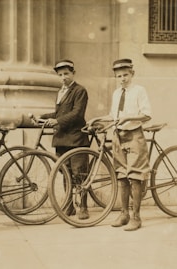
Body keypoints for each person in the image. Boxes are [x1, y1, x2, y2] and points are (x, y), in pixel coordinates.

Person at [88, 58, 151, 231]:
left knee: (135, 176)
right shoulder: (117, 93)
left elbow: (146, 115)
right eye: (119, 76)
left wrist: (129, 118)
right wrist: (97, 119)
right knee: (122, 175)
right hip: (118, 136)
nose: (122, 79)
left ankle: (136, 217)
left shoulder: (139, 91)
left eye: (125, 75)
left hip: (134, 135)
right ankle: (124, 214)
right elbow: (113, 116)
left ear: (132, 74)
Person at [39, 59, 90, 219]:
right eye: (60, 75)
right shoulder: (60, 92)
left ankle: (83, 207)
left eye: (66, 74)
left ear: (73, 73)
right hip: (61, 139)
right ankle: (69, 205)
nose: (63, 77)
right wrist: (42, 117)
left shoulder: (80, 90)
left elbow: (77, 114)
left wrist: (58, 121)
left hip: (76, 138)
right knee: (65, 173)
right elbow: (58, 114)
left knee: (79, 173)